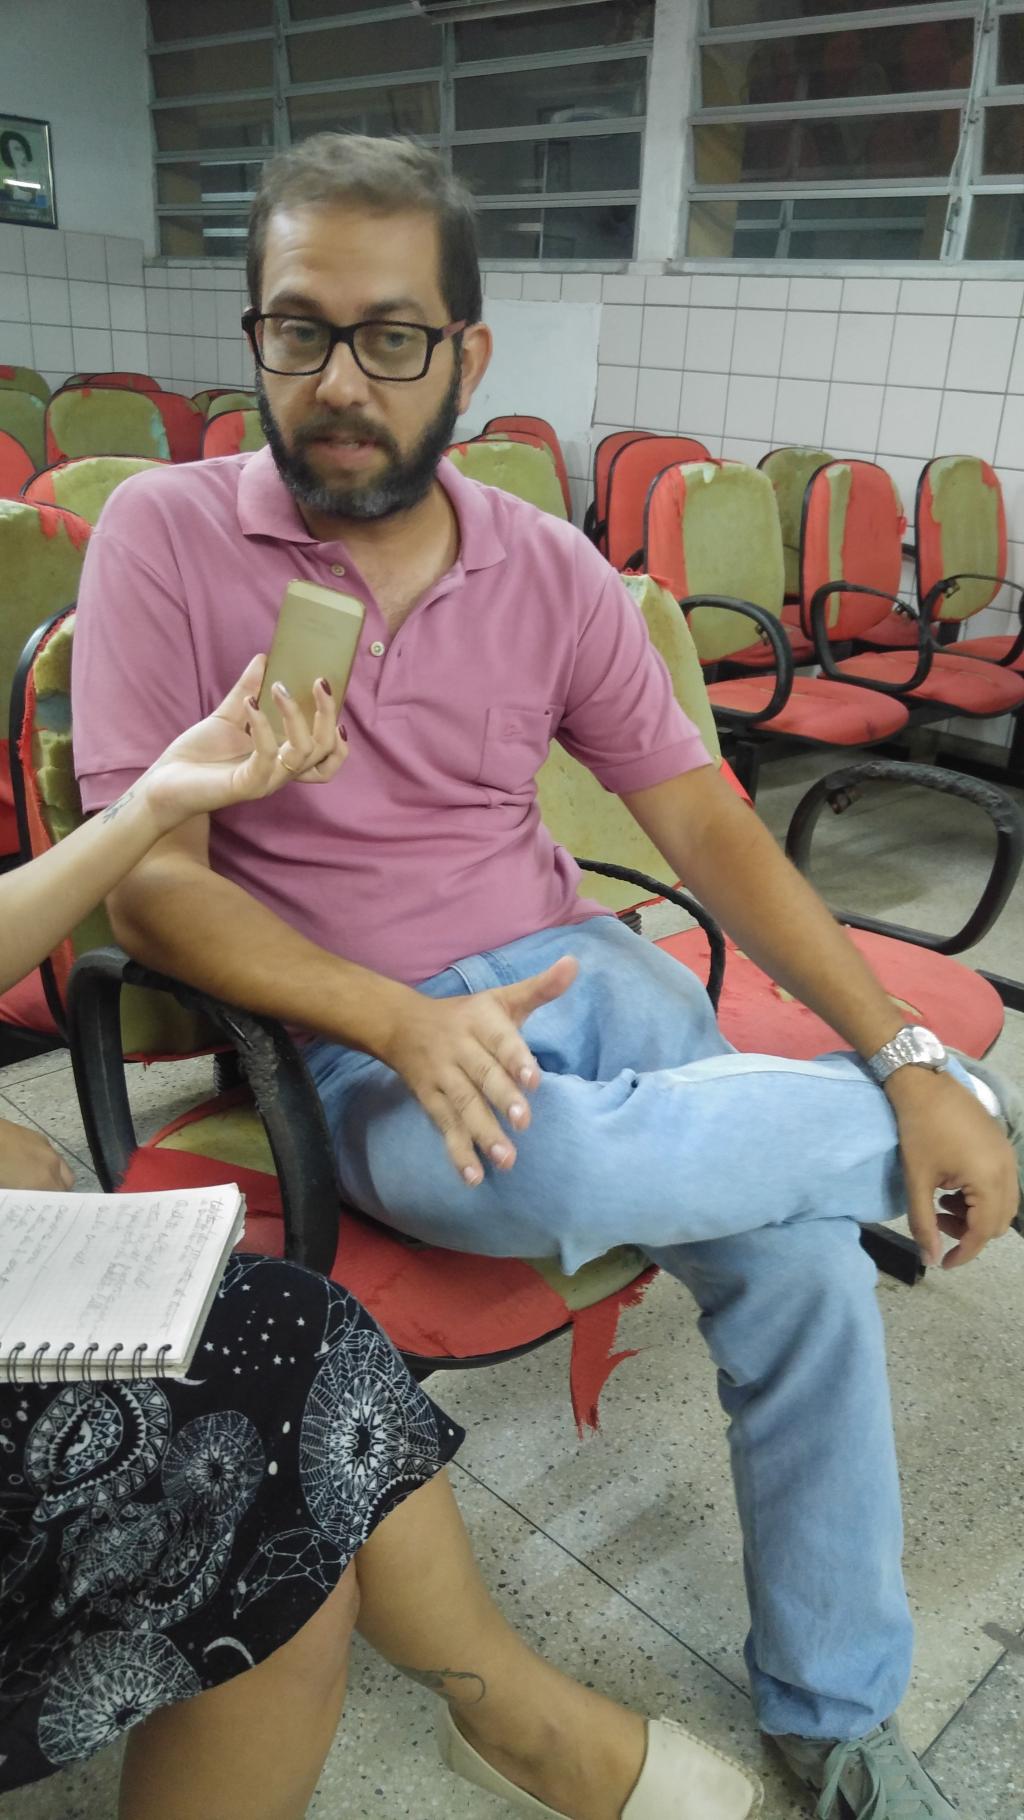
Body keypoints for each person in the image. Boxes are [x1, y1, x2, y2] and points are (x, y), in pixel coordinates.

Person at [71, 133, 1023, 1820]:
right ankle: (953, 1119)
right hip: (360, 1038)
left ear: (466, 354)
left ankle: (831, 1711)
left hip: (586, 970)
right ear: (254, 336)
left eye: (391, 336)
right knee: (636, 1190)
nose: (340, 381)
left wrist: (894, 1046)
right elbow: (148, 888)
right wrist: (393, 1018)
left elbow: (707, 826)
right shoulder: (166, 533)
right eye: (298, 330)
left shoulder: (546, 564)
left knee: (791, 1260)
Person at [0, 658, 760, 1819]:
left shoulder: (543, 586)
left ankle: (507, 1711)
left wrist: (154, 800)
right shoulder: (169, 571)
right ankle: (514, 1715)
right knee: (275, 1447)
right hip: (362, 1024)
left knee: (291, 1331)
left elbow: (690, 807)